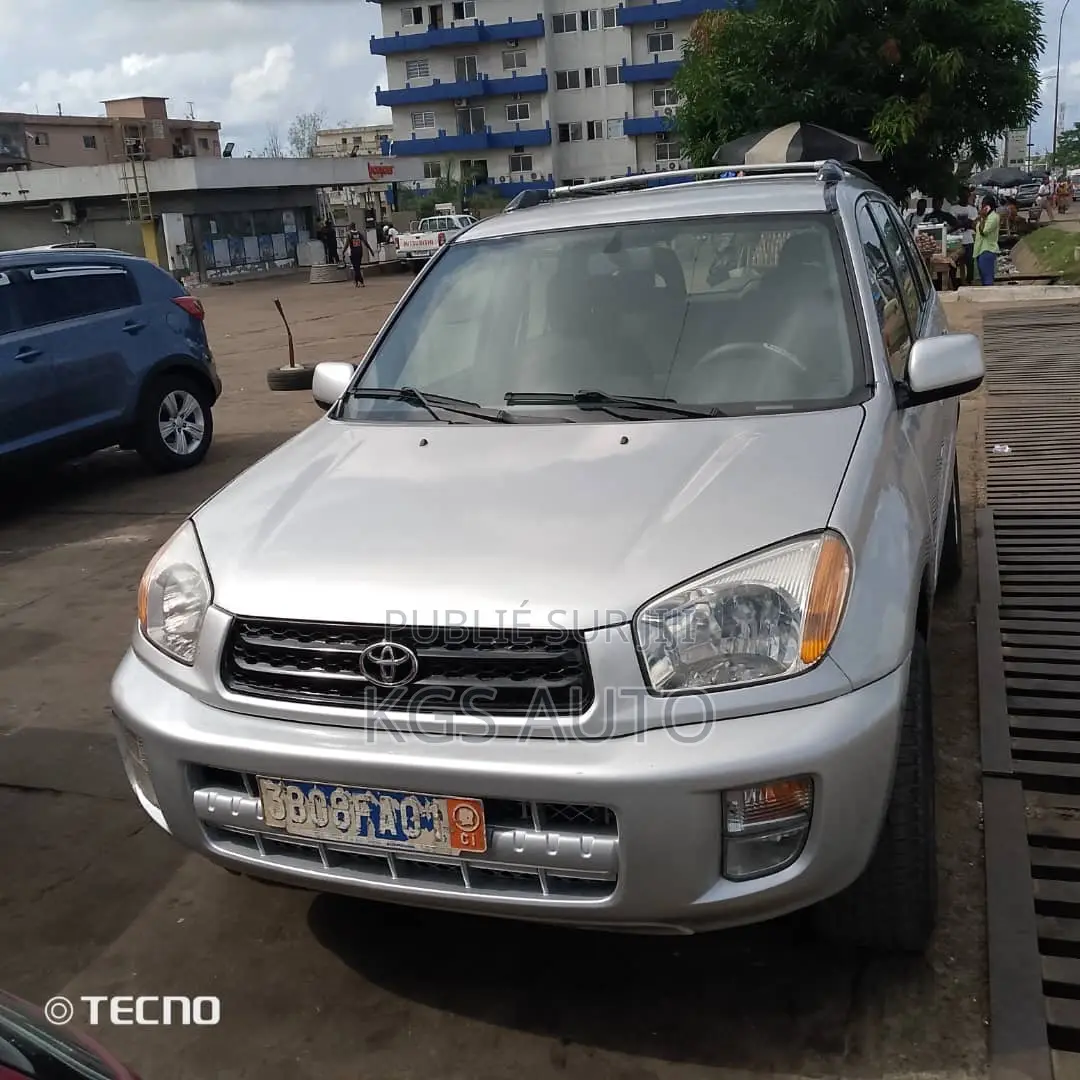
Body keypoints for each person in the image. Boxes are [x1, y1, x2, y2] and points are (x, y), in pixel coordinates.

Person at [951, 188, 978, 285]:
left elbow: (974, 224)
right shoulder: (953, 209)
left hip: (968, 239)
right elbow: (953, 224)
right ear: (960, 196)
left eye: (967, 196)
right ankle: (954, 283)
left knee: (970, 262)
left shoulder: (973, 209)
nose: (965, 198)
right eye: (963, 196)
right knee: (953, 263)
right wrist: (965, 224)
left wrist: (965, 224)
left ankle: (969, 281)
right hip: (956, 240)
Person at [974, 194, 1001, 286]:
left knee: (987, 278)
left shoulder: (993, 217)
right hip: (979, 249)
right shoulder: (984, 217)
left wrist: (983, 218)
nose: (981, 208)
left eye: (983, 206)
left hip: (987, 249)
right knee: (982, 278)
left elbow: (984, 232)